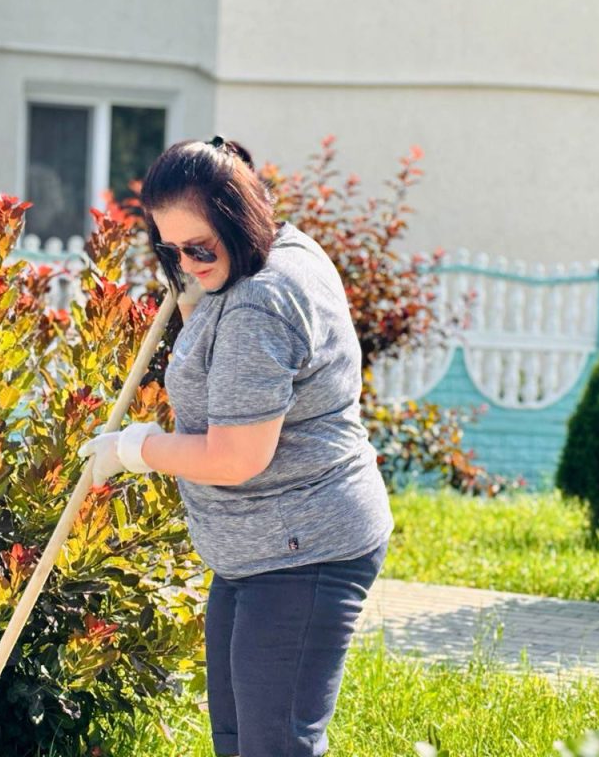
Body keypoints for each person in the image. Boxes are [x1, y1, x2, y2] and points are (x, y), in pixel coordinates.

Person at [77, 136, 394, 757]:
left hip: (304, 550)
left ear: (239, 215)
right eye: (171, 250)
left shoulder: (260, 302)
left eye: (200, 247)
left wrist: (136, 449)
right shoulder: (277, 249)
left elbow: (235, 457)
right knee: (239, 741)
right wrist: (199, 289)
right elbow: (227, 365)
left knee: (273, 745)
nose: (187, 263)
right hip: (259, 550)